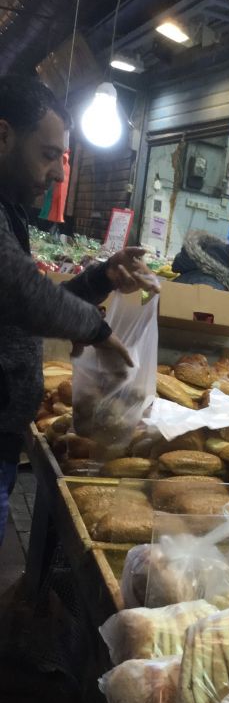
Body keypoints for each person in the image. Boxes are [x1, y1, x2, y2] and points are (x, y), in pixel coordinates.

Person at [0, 75, 158, 543]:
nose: (59, 173)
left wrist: (101, 278)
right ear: (4, 135)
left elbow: (24, 307)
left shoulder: (10, 209)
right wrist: (97, 331)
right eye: (49, 154)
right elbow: (20, 290)